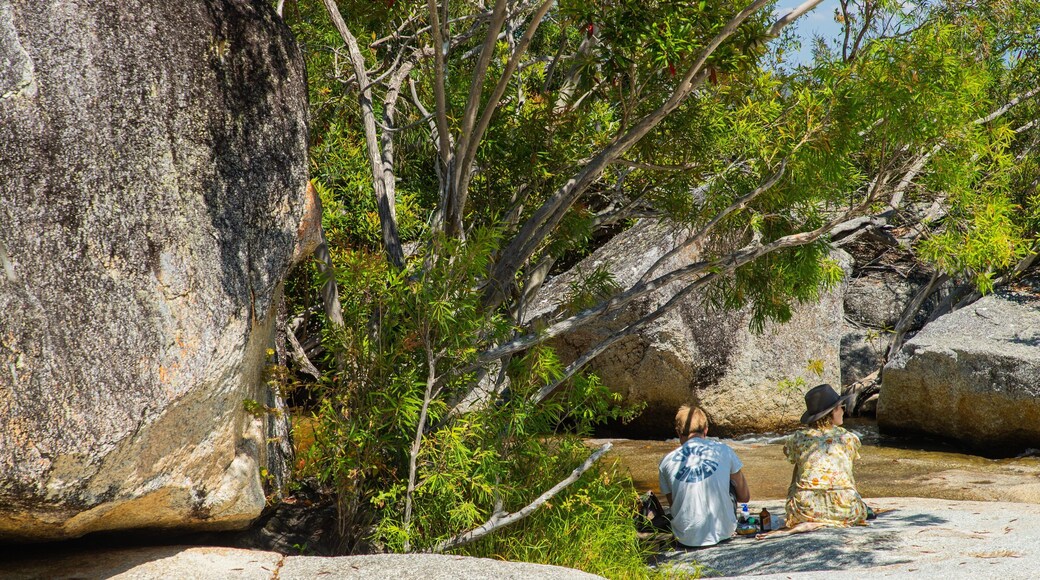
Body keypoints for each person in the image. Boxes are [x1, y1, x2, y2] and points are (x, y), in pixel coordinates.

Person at [771, 383, 872, 536]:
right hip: (846, 510)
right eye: (840, 407)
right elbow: (845, 471)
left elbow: (789, 455)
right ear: (831, 412)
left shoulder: (797, 439)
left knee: (800, 465)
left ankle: (812, 518)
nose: (843, 410)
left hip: (805, 511)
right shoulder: (849, 438)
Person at [659, 405, 751, 547]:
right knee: (730, 480)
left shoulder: (666, 461)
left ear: (678, 432)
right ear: (706, 430)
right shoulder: (724, 450)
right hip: (724, 532)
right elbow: (744, 497)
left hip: (686, 539)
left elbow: (674, 505)